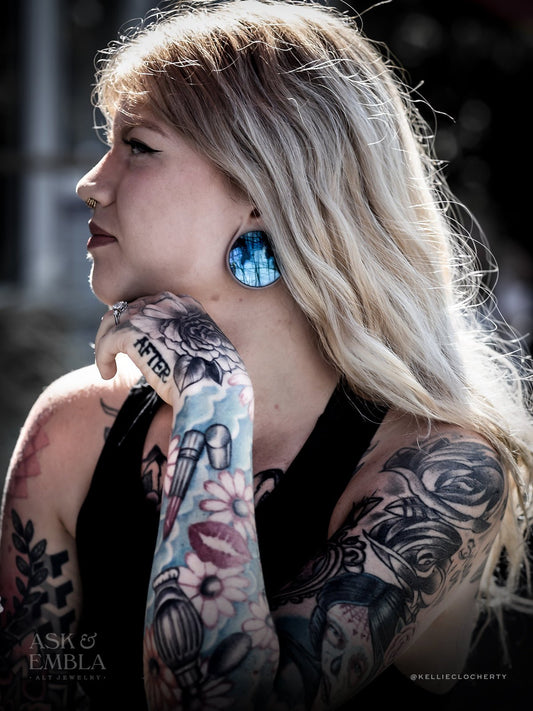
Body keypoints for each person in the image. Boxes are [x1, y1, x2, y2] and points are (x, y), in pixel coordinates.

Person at [1, 1, 532, 709]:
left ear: (260, 191)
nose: (90, 182)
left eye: (138, 146)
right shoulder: (73, 429)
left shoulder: (437, 469)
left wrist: (211, 391)